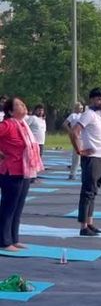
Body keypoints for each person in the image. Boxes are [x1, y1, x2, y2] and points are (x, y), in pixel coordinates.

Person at [0, 97, 43, 250]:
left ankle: (13, 238)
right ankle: (4, 241)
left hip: (25, 170)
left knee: (18, 206)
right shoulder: (7, 125)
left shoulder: (24, 125)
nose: (23, 106)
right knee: (8, 206)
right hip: (11, 171)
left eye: (23, 103)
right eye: (18, 105)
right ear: (11, 111)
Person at [70, 88, 101, 236]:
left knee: (93, 192)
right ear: (92, 100)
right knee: (87, 192)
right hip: (92, 158)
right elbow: (74, 131)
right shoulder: (89, 114)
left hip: (100, 157)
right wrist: (79, 150)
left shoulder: (99, 115)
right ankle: (83, 226)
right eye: (99, 99)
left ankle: (90, 223)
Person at [63, 101, 84, 180]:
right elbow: (65, 124)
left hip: (83, 137)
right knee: (77, 156)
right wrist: (70, 131)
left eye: (82, 108)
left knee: (84, 156)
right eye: (80, 107)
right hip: (76, 137)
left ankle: (83, 173)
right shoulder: (73, 115)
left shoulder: (83, 116)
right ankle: (72, 173)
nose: (81, 109)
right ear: (76, 108)